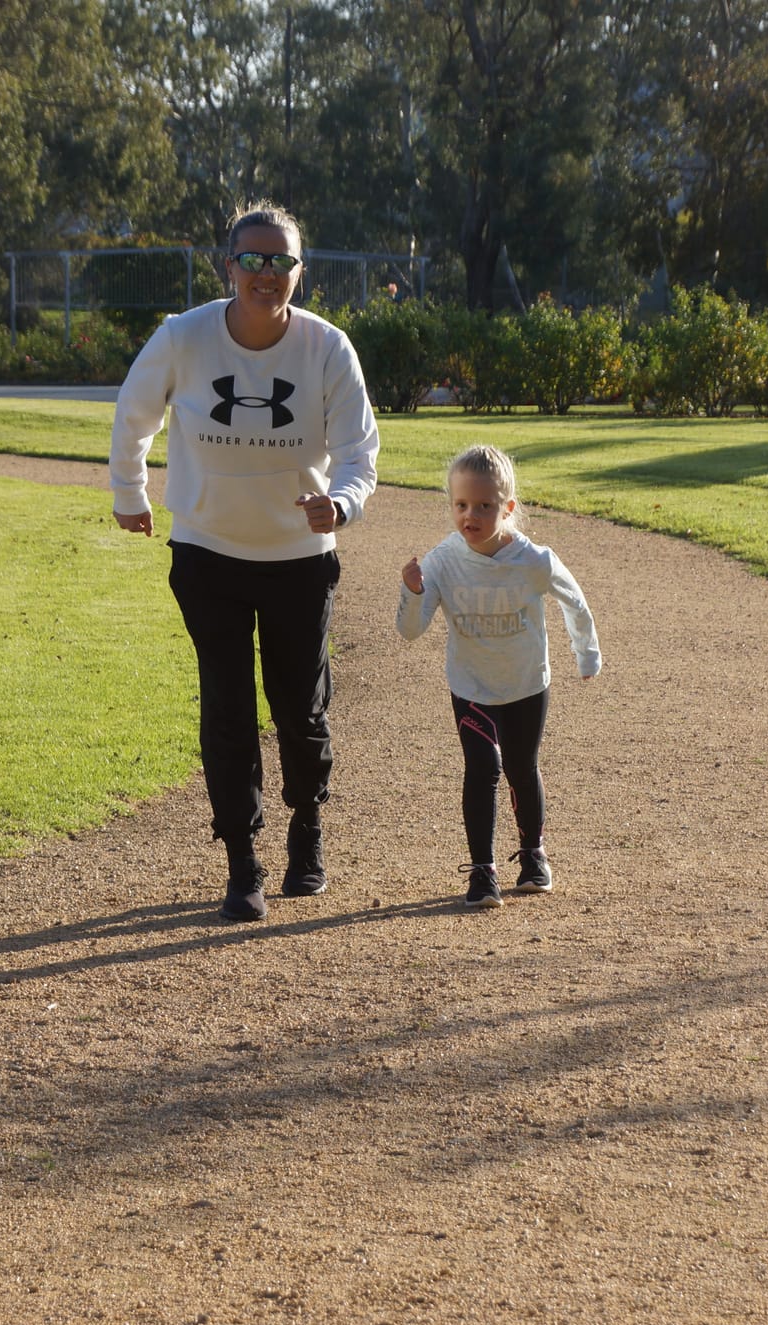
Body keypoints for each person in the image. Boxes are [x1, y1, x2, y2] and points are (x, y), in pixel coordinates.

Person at [109, 202, 380, 924]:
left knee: (300, 704)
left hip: (299, 558)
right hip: (207, 554)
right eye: (252, 259)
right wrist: (129, 494)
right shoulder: (183, 337)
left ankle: (307, 829)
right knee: (226, 707)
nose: (266, 273)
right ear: (228, 265)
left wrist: (342, 504)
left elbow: (360, 452)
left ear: (299, 270)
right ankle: (242, 860)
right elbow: (134, 413)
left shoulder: (328, 348)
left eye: (281, 261)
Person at [397, 445, 602, 909]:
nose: (471, 515)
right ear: (451, 504)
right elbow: (411, 631)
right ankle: (483, 871)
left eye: (485, 506)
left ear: (507, 508)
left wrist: (586, 655)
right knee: (482, 769)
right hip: (471, 686)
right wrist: (412, 592)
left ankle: (533, 856)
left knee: (520, 768)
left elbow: (575, 599)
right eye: (461, 505)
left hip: (527, 682)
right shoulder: (441, 562)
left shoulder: (533, 560)